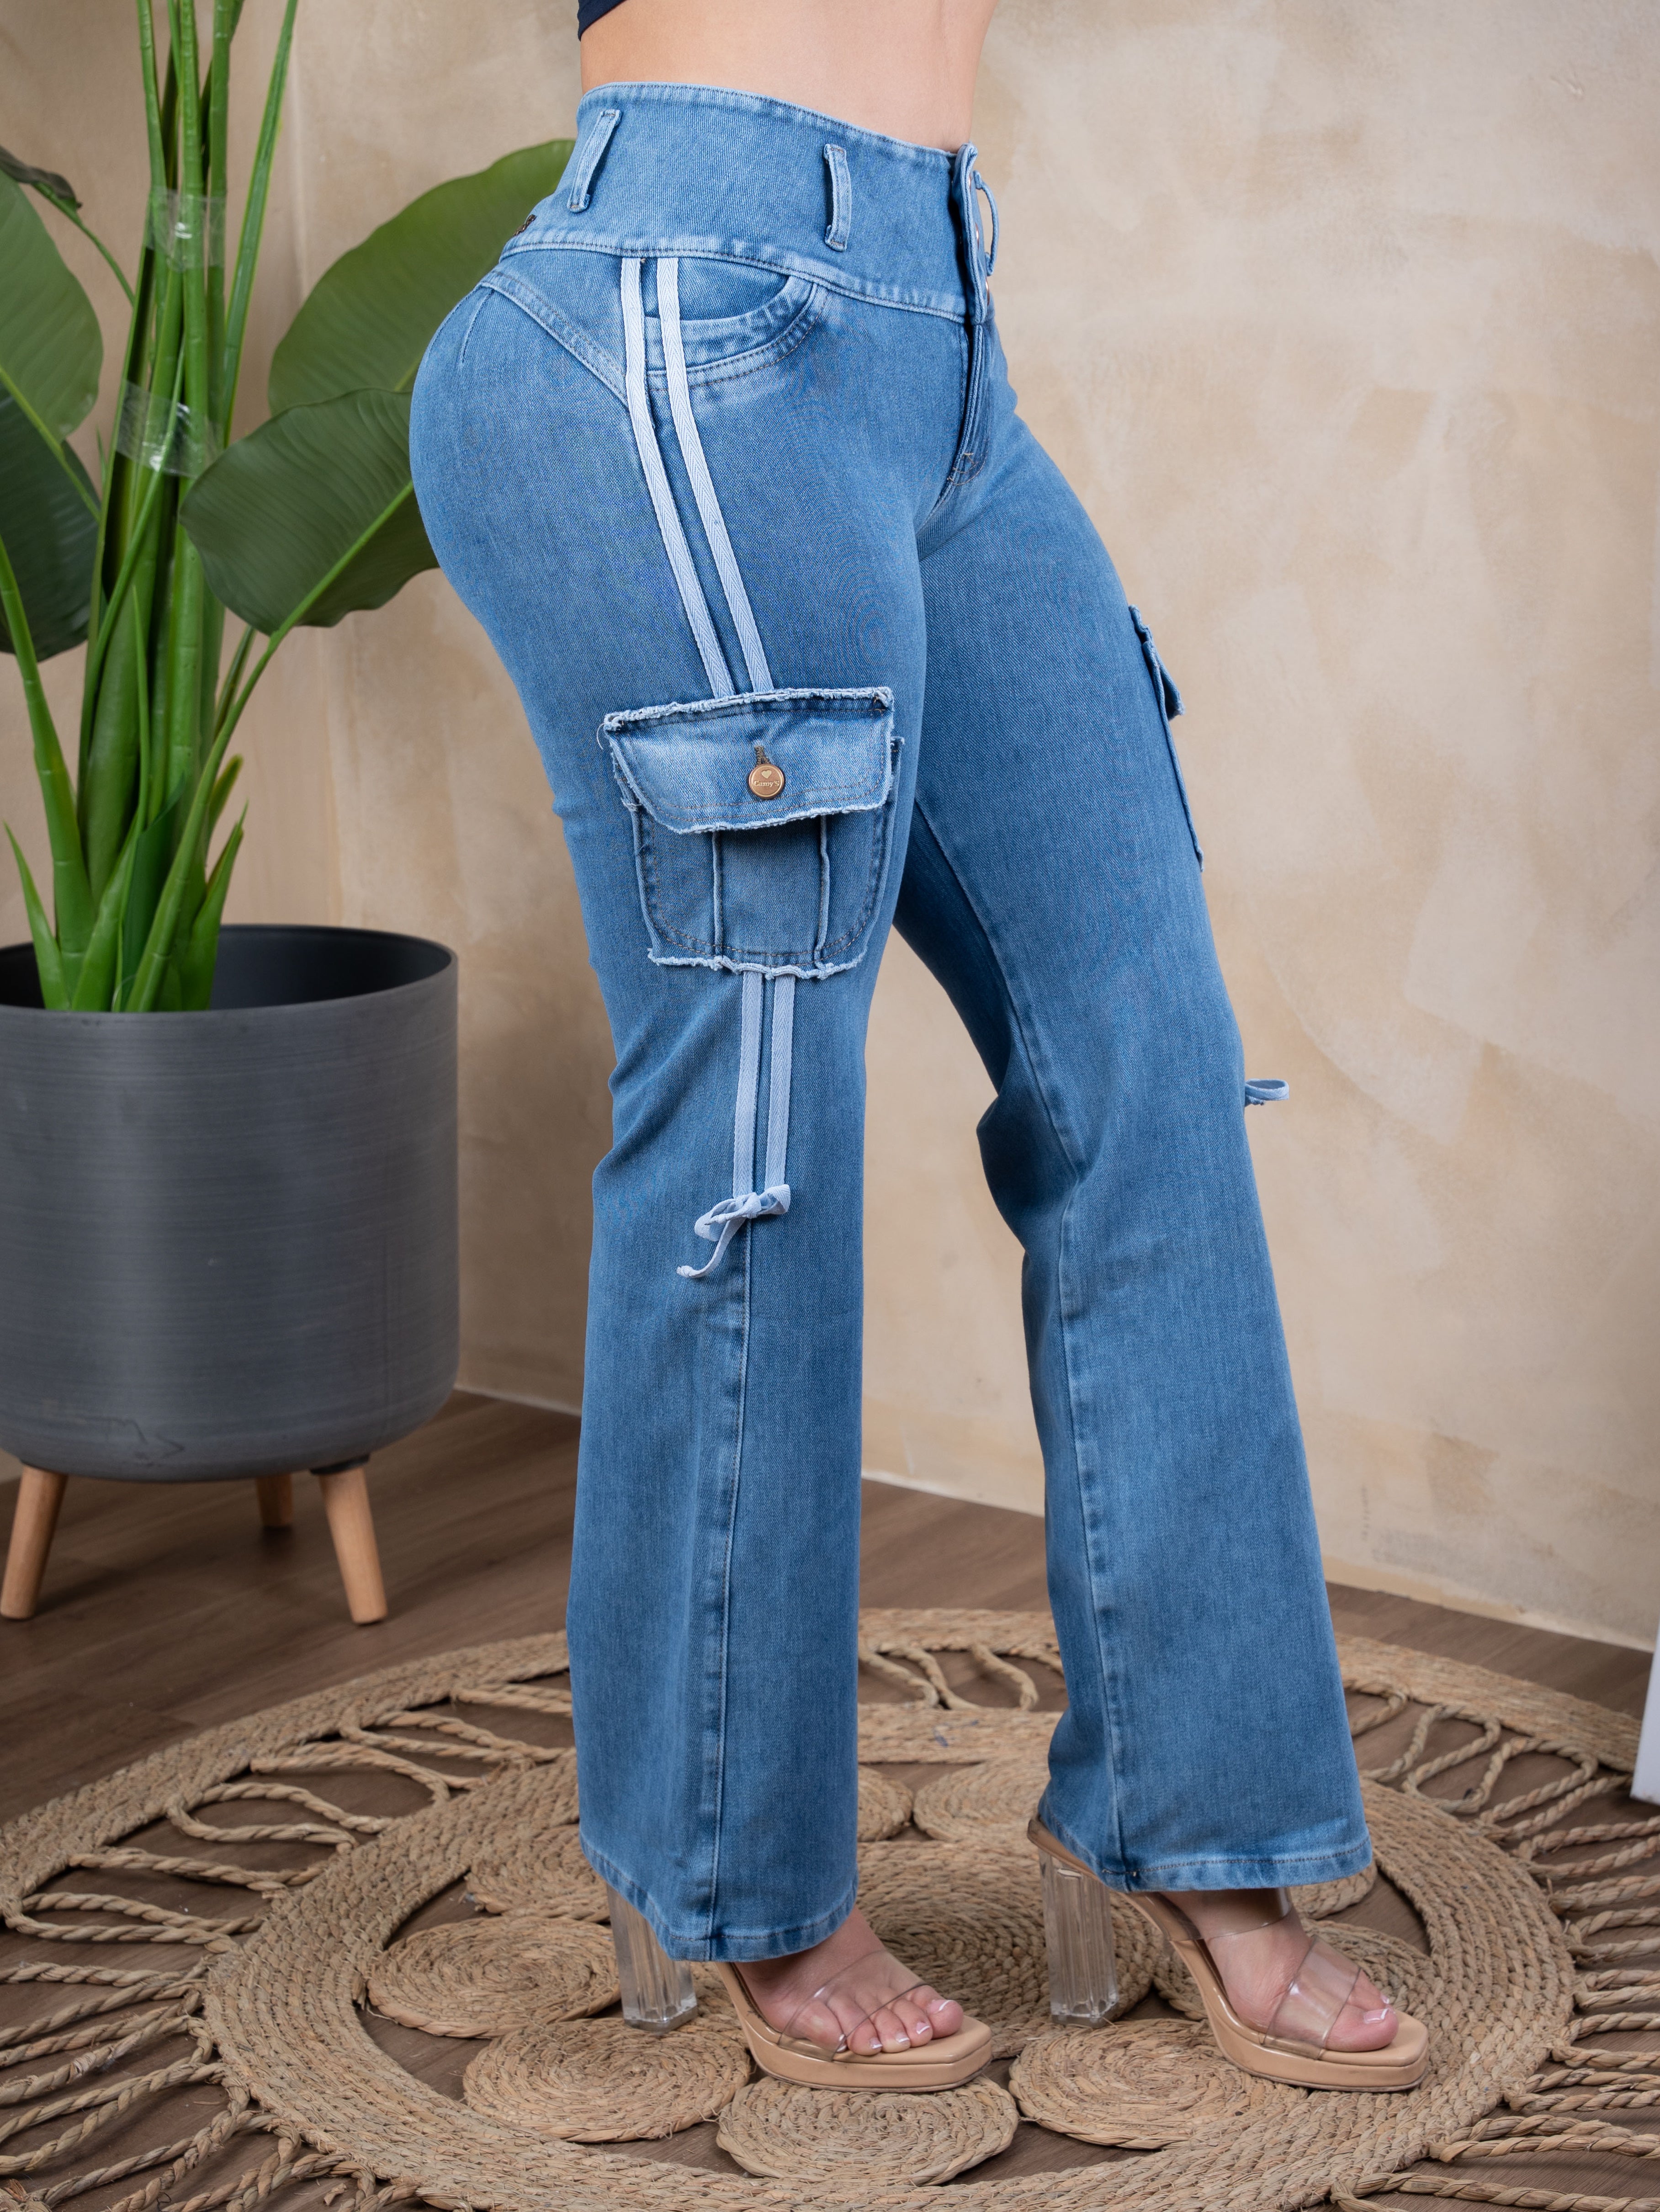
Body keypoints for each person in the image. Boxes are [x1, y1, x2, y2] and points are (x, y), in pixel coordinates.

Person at [409, 0, 1428, 2095]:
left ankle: (1192, 1816)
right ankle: (739, 1871)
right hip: (690, 304)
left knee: (1147, 1051)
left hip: (942, 341)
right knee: (760, 1101)